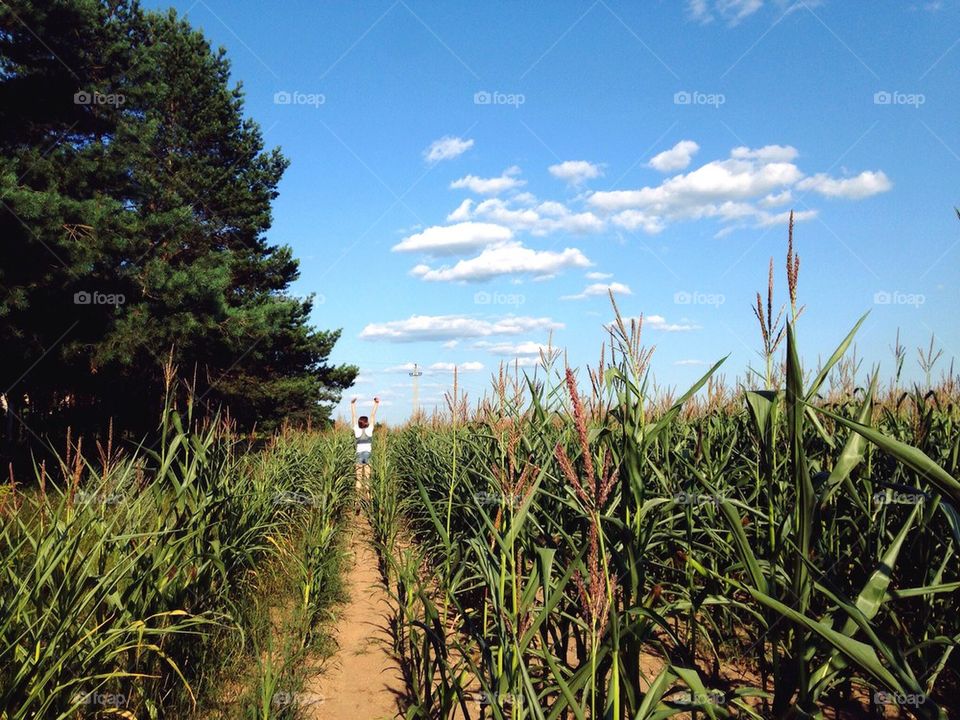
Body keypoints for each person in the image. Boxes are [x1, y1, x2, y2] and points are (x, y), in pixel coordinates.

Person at [350, 396, 379, 496]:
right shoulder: (369, 429)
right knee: (367, 477)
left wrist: (353, 404)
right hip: (367, 454)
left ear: (359, 423)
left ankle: (357, 499)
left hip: (358, 454)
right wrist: (376, 403)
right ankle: (367, 497)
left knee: (358, 479)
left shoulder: (356, 430)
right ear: (366, 422)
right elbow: (372, 415)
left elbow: (354, 416)